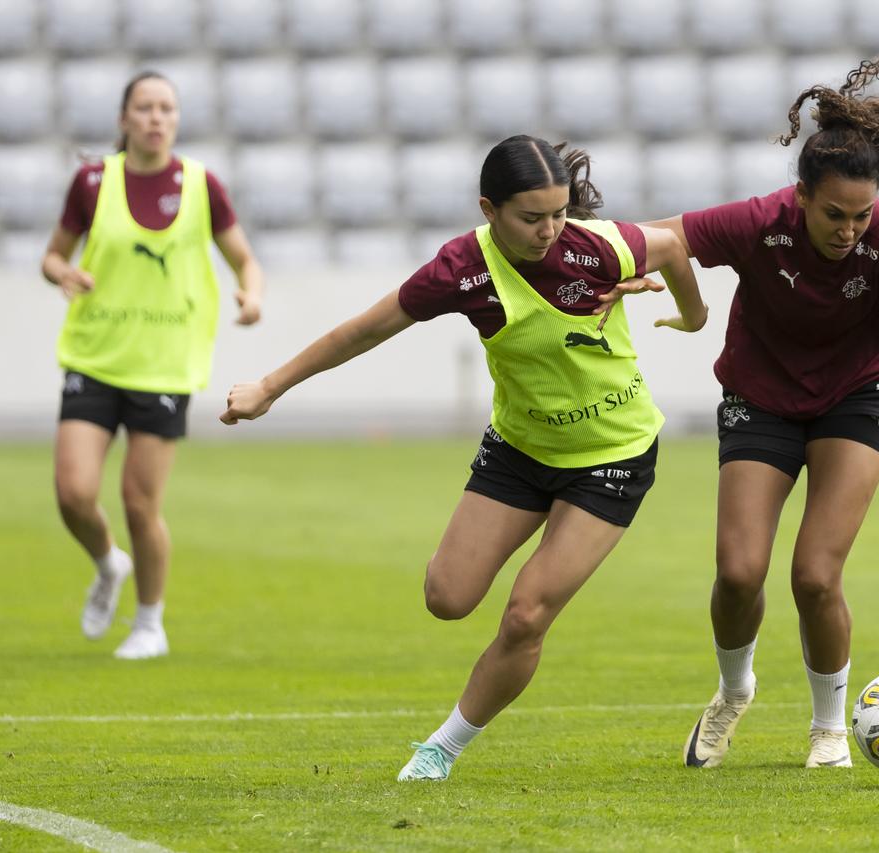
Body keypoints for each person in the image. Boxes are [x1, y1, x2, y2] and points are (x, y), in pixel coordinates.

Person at [219, 135, 708, 781]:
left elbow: (674, 245)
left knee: (527, 612)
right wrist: (268, 389)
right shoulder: (461, 269)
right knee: (447, 597)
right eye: (532, 218)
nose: (550, 231)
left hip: (612, 456)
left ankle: (440, 748)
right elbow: (364, 329)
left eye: (560, 214)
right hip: (521, 448)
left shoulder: (600, 246)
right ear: (489, 209)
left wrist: (693, 316)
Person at [615, 45, 879, 769]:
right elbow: (661, 237)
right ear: (803, 199)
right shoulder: (760, 222)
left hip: (859, 395)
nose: (849, 230)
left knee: (815, 573)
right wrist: (621, 272)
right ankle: (732, 691)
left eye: (862, 214)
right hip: (761, 398)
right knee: (739, 572)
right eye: (834, 215)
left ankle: (827, 728)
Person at [41, 71, 265, 660]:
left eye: (166, 107)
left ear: (176, 118)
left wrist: (252, 294)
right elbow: (52, 255)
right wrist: (64, 273)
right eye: (144, 107)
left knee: (141, 504)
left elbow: (244, 259)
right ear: (124, 118)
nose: (156, 117)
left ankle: (149, 622)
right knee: (72, 493)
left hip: (165, 367)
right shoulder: (92, 181)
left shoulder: (201, 185)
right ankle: (106, 563)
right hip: (94, 357)